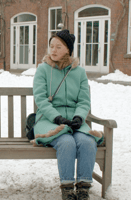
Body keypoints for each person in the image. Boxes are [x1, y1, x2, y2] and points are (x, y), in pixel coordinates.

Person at [31, 29, 104, 200]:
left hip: (74, 121)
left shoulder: (79, 72)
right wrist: (57, 118)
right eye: (51, 46)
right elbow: (41, 100)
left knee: (87, 141)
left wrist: (79, 117)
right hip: (49, 121)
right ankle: (67, 189)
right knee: (66, 142)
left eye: (58, 47)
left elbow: (84, 100)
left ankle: (83, 189)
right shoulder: (43, 70)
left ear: (68, 50)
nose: (53, 50)